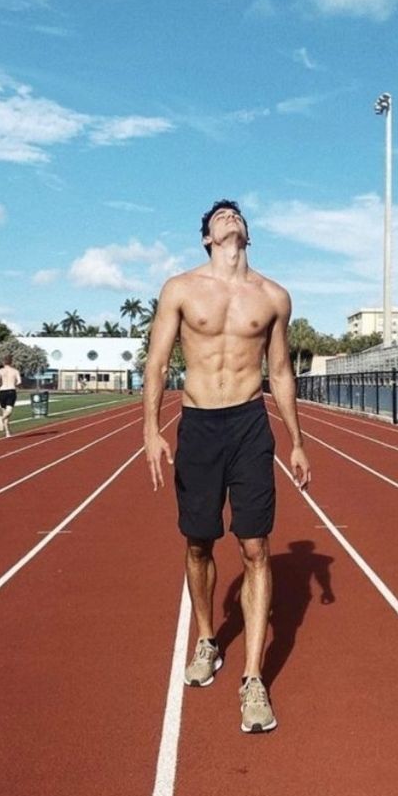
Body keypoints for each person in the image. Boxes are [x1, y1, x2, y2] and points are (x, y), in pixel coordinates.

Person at [143, 199, 311, 734]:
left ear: (247, 234)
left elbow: (280, 372)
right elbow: (157, 361)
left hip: (248, 424)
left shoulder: (273, 297)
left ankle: (253, 679)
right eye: (219, 216)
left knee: (256, 547)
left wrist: (297, 441)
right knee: (198, 542)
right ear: (206, 238)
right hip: (197, 425)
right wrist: (150, 430)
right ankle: (208, 638)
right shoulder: (181, 288)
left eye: (237, 215)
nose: (230, 217)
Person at [0, 354, 21, 438]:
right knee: (8, 411)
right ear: (11, 362)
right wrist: (14, 384)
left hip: (2, 391)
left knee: (4, 411)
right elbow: (19, 381)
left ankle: (7, 433)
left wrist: (1, 383)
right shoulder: (15, 371)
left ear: (3, 362)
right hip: (11, 390)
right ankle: (1, 419)